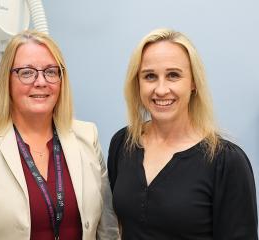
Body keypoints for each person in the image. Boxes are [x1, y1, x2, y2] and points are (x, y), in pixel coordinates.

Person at [0, 30, 119, 240]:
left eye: (50, 71)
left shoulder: (87, 136)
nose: (41, 81)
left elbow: (108, 229)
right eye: (27, 72)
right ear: (6, 81)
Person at [108, 28, 258, 239]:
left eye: (173, 75)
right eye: (150, 76)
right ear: (138, 83)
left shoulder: (226, 162)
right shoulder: (123, 143)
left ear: (193, 83)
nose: (161, 90)